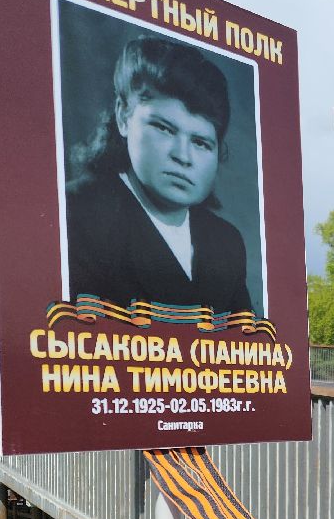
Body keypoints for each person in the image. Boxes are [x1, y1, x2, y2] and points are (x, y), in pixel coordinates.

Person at [65, 35, 253, 316]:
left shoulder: (226, 242)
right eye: (164, 128)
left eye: (201, 142)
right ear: (123, 117)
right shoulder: (73, 213)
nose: (183, 156)